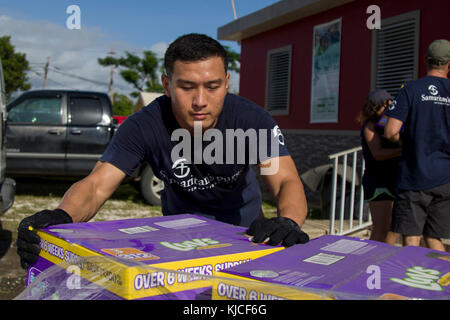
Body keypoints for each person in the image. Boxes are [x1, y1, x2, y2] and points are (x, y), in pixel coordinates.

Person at [16, 33, 310, 269]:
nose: (200, 101)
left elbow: (284, 179)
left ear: (227, 83)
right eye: (187, 87)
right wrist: (60, 217)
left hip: (246, 239)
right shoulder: (144, 126)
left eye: (212, 86)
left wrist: (288, 222)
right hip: (178, 244)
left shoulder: (251, 122)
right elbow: (96, 186)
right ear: (167, 85)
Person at [384, 39, 450, 252]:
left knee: (411, 241)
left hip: (414, 175)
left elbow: (391, 131)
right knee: (434, 239)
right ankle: (442, 283)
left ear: (426, 61)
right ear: (449, 64)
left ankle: (410, 285)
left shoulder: (410, 89)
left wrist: (406, 142)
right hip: (446, 177)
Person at [358, 89, 401, 244]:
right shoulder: (370, 126)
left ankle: (385, 260)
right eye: (388, 103)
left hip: (394, 179)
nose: (392, 105)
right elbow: (378, 153)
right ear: (381, 105)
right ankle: (369, 262)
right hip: (378, 181)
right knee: (380, 229)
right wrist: (403, 150)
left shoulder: (389, 124)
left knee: (393, 228)